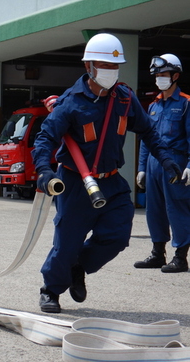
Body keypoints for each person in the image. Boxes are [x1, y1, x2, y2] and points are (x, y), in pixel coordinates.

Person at [32, 33, 181, 313]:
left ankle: (80, 267)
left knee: (117, 237)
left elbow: (148, 131)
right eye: (104, 66)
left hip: (112, 181)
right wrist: (43, 170)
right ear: (89, 66)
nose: (110, 72)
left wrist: (167, 160)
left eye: (115, 67)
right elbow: (45, 139)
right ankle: (50, 290)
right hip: (76, 183)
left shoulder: (124, 99)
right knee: (66, 245)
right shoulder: (71, 102)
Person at [134, 54, 190, 273]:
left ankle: (180, 257)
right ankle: (158, 254)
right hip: (153, 163)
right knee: (154, 210)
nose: (159, 78)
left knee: (176, 208)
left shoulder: (185, 103)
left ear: (175, 76)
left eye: (163, 74)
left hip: (175, 161)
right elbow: (147, 139)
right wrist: (141, 168)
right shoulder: (154, 106)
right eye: (157, 75)